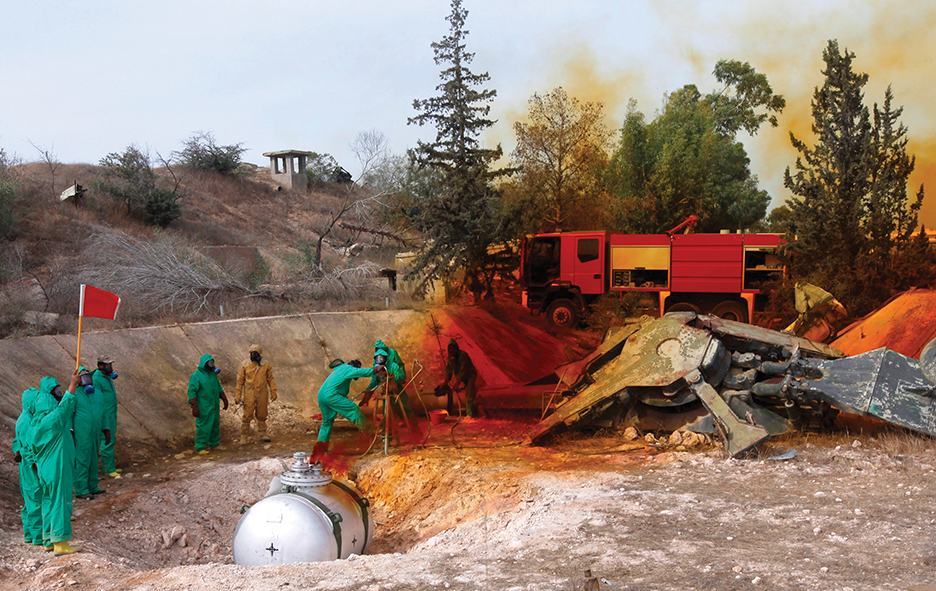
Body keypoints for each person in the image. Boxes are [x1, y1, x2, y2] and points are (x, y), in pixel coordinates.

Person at [32, 372, 81, 555]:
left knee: (48, 502)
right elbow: (65, 408)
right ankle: (60, 542)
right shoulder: (53, 419)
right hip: (57, 468)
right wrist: (73, 385)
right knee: (60, 501)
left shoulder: (37, 423)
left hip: (46, 471)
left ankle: (48, 540)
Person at [312, 359, 382, 458]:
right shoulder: (347, 368)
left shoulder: (339, 370)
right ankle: (371, 434)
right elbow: (359, 372)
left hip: (322, 396)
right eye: (358, 367)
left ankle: (321, 449)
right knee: (354, 410)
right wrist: (375, 370)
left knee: (326, 423)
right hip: (332, 396)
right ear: (354, 365)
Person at [13, 387, 43, 547]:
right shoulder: (26, 421)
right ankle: (38, 536)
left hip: (26, 466)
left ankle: (29, 534)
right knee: (35, 499)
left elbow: (17, 443)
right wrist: (36, 464)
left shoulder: (25, 418)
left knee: (30, 500)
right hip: (30, 467)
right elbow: (27, 446)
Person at [72, 366, 108, 499]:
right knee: (82, 459)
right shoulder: (74, 394)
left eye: (88, 376)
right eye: (83, 377)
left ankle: (93, 486)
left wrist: (106, 429)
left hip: (96, 432)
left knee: (93, 458)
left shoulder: (97, 393)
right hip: (82, 433)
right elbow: (69, 414)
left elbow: (104, 413)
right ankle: (82, 489)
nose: (87, 380)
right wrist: (71, 432)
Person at [235, 344, 277, 444]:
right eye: (252, 353)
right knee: (247, 414)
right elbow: (240, 381)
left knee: (262, 413)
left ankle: (262, 433)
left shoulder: (265, 364)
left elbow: (270, 378)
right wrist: (238, 394)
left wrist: (273, 391)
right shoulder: (244, 364)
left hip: (262, 392)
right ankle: (244, 435)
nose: (254, 355)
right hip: (249, 392)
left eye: (256, 353)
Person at [187, 354, 228, 455]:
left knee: (215, 423)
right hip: (204, 406)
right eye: (209, 363)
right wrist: (194, 406)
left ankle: (214, 443)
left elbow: (218, 387)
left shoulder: (212, 374)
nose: (211, 365)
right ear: (204, 364)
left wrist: (224, 398)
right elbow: (192, 391)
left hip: (214, 405)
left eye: (212, 362)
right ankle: (200, 446)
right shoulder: (196, 376)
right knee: (204, 425)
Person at [364, 339, 413, 418]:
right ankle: (387, 427)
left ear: (386, 358)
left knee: (403, 405)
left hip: (394, 383)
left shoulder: (393, 362)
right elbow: (374, 380)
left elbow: (400, 369)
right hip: (384, 387)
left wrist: (394, 376)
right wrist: (368, 394)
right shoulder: (377, 363)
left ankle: (412, 425)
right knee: (386, 410)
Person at [93, 355, 121, 478]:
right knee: (107, 441)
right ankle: (109, 469)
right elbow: (97, 400)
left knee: (110, 439)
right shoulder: (96, 379)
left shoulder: (107, 377)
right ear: (100, 366)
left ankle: (109, 466)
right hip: (105, 415)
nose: (110, 367)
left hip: (111, 413)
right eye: (107, 365)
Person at [438, 338, 479, 418]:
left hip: (470, 375)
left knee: (469, 394)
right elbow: (449, 370)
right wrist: (445, 381)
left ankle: (470, 416)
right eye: (449, 349)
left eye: (453, 348)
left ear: (457, 348)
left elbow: (464, 369)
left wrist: (458, 382)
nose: (451, 350)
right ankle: (475, 412)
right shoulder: (450, 358)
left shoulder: (463, 355)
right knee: (469, 394)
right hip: (461, 377)